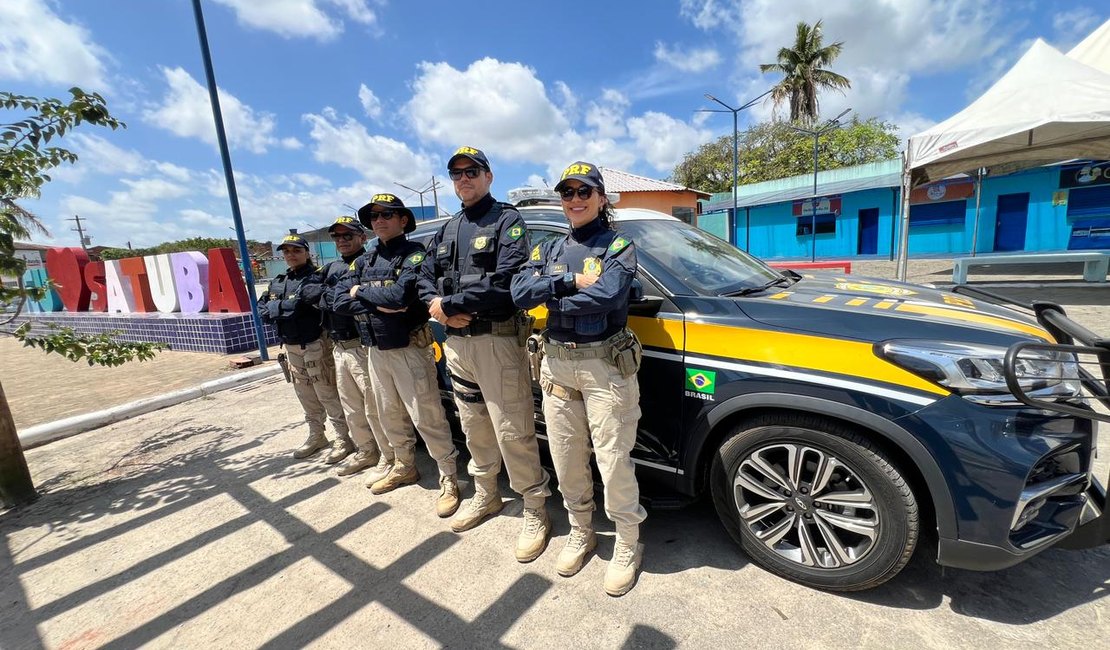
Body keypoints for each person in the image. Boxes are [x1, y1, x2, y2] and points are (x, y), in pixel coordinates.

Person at [510, 162, 646, 597]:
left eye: (584, 192)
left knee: (612, 459)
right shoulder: (548, 248)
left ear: (601, 198)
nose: (575, 200)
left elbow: (607, 296)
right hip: (556, 363)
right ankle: (581, 530)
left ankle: (627, 542)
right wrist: (569, 281)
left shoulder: (620, 246)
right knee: (567, 455)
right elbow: (518, 293)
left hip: (603, 365)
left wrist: (551, 300)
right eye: (567, 193)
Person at [418, 146, 551, 561]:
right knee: (473, 424)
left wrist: (450, 305)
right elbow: (424, 277)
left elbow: (508, 281)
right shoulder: (448, 227)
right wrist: (434, 305)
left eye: (472, 171)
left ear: (489, 176)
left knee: (513, 428)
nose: (464, 179)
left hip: (496, 343)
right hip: (458, 346)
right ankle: (487, 493)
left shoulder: (507, 220)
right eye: (456, 173)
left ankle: (535, 508)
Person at [341, 193, 461, 516]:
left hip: (410, 347)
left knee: (427, 415)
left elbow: (400, 297)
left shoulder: (414, 254)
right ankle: (405, 465)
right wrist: (375, 299)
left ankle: (449, 476)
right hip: (376, 350)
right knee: (387, 413)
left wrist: (362, 293)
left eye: (387, 215)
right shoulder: (364, 260)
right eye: (375, 216)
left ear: (403, 220)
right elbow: (339, 300)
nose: (379, 221)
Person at [313, 216, 392, 481]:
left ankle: (388, 456)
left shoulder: (369, 263)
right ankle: (365, 451)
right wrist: (337, 297)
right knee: (351, 407)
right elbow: (312, 293)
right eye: (337, 237)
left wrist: (339, 298)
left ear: (362, 237)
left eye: (348, 235)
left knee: (374, 407)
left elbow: (366, 301)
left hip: (363, 344)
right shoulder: (332, 267)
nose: (342, 241)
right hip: (339, 345)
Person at [258, 232, 348, 459]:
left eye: (297, 250)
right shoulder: (279, 281)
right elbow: (261, 310)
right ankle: (317, 435)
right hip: (291, 347)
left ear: (307, 253)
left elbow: (298, 307)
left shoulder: (316, 278)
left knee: (326, 392)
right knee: (305, 394)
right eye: (287, 251)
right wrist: (282, 307)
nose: (291, 255)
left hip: (316, 344)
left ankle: (343, 438)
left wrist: (277, 308)